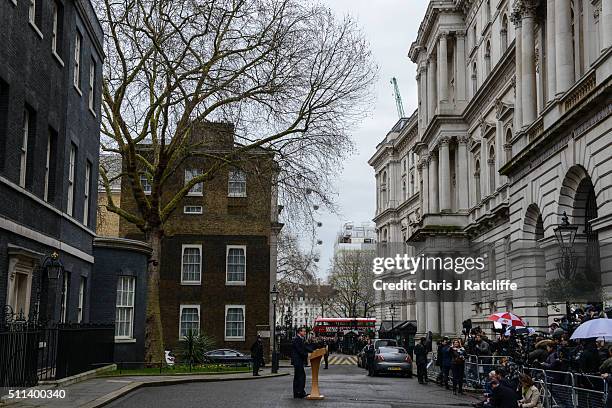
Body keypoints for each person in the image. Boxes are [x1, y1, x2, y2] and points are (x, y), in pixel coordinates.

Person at [292, 327, 310, 398]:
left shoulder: (300, 339)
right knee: (300, 377)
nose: (305, 333)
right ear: (299, 332)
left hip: (299, 361)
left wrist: (313, 351)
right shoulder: (297, 339)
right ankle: (299, 392)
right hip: (297, 361)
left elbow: (305, 348)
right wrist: (307, 354)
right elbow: (300, 350)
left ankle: (298, 392)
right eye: (304, 331)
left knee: (299, 377)